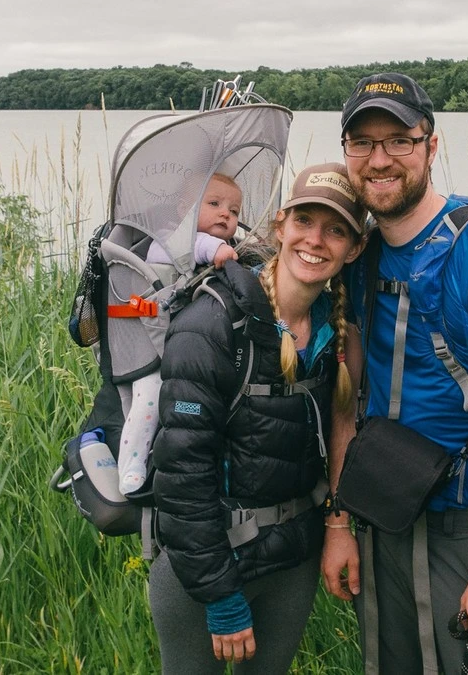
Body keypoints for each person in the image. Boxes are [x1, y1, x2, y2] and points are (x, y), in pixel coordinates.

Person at [323, 72, 468, 673]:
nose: (379, 160)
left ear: (431, 145)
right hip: (382, 511)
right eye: (362, 144)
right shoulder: (360, 255)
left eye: (398, 140)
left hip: (465, 525)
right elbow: (348, 401)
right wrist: (340, 522)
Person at [148, 163, 366, 673]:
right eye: (305, 221)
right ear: (280, 227)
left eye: (336, 230)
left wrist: (337, 526)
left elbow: (340, 435)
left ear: (353, 249)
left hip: (291, 562)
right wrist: (220, 596)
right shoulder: (212, 324)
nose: (316, 240)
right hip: (205, 569)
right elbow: (181, 477)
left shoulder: (338, 335)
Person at [117, 172, 244, 496]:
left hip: (190, 350)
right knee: (148, 398)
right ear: (183, 210)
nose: (225, 214)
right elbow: (184, 250)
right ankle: (130, 465)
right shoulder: (169, 239)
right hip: (151, 349)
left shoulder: (227, 246)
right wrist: (214, 248)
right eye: (214, 204)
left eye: (234, 211)